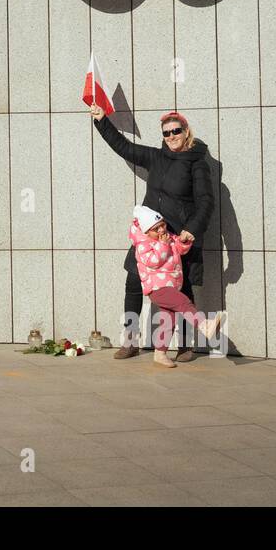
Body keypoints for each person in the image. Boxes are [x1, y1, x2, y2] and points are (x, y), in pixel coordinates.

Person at [91, 105, 214, 360]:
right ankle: (131, 340)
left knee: (182, 291)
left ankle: (184, 345)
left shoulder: (197, 164)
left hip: (176, 240)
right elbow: (124, 147)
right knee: (133, 283)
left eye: (176, 131)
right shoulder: (156, 157)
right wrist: (102, 121)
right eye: (166, 133)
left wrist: (191, 229)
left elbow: (205, 202)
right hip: (148, 238)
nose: (171, 137)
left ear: (186, 130)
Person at [128, 206, 224, 368]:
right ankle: (204, 325)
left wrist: (184, 241)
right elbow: (153, 261)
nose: (161, 230)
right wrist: (163, 245)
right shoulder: (143, 245)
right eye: (155, 229)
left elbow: (179, 249)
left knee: (168, 321)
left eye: (162, 225)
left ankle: (160, 353)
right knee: (184, 303)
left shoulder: (167, 237)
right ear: (146, 232)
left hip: (171, 286)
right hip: (157, 288)